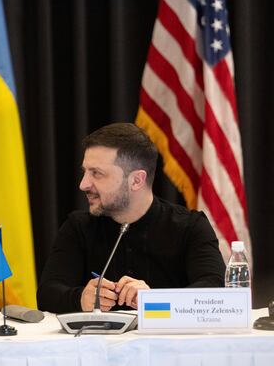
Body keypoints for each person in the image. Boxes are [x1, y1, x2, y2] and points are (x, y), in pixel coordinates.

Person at [37, 122, 225, 314]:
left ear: (136, 180)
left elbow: (215, 291)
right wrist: (81, 298)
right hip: (96, 344)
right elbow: (47, 293)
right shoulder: (78, 227)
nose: (83, 184)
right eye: (85, 172)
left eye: (97, 173)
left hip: (169, 343)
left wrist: (155, 301)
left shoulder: (190, 226)